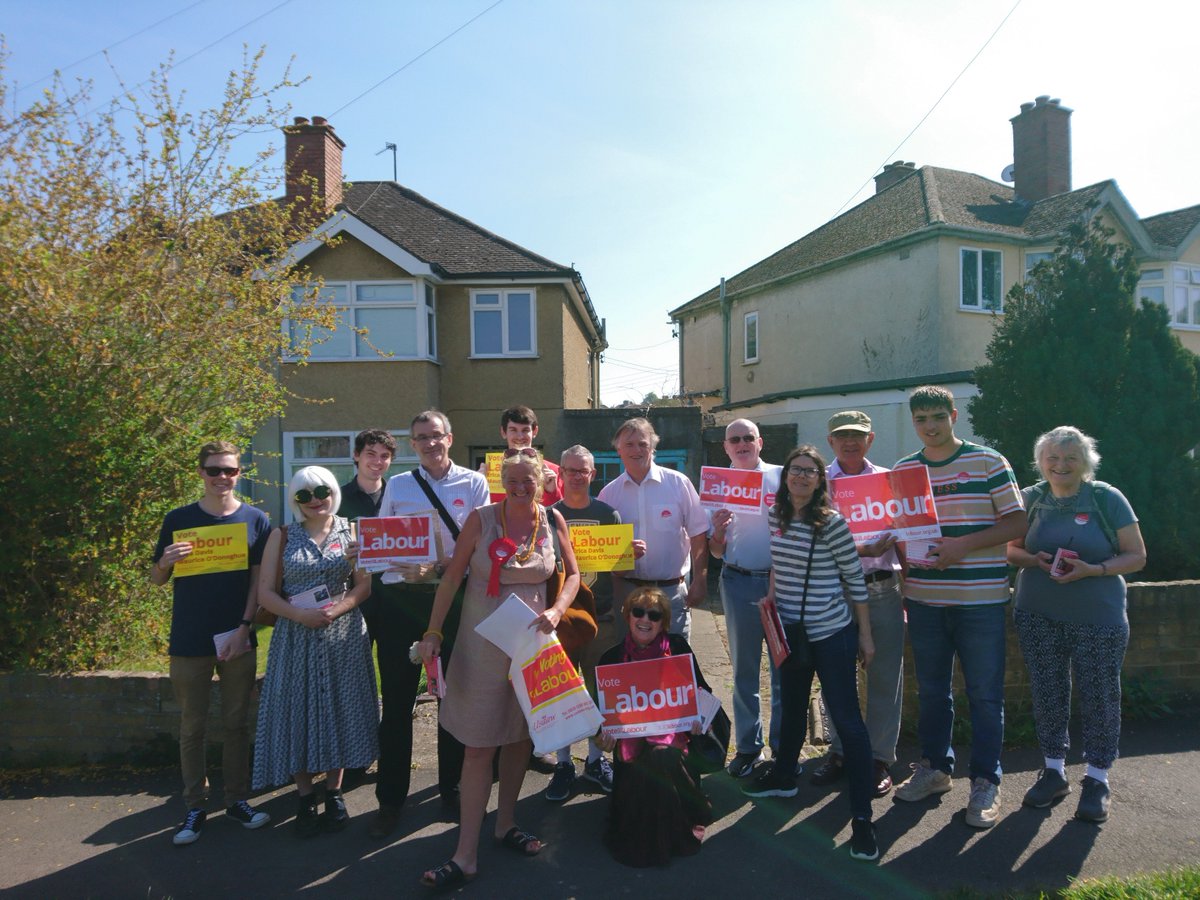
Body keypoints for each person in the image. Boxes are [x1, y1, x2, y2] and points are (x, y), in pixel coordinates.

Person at [417, 450, 581, 889]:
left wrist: (557, 609)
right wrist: (433, 630)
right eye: (513, 480)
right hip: (482, 648)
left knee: (519, 738)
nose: (521, 487)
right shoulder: (481, 519)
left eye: (529, 480)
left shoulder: (553, 520)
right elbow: (452, 577)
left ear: (541, 481)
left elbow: (572, 574)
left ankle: (505, 824)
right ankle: (465, 854)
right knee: (478, 747)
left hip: (530, 648)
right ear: (502, 482)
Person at [892, 386, 1026, 829]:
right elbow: (901, 529)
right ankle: (935, 769)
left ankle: (986, 781)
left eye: (937, 417)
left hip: (979, 601)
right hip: (924, 601)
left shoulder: (988, 462)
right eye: (921, 419)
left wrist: (962, 546)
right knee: (932, 692)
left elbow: (1018, 521)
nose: (930, 426)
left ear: (953, 415)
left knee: (985, 695)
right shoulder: (904, 470)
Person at [742, 446, 879, 862]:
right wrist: (771, 599)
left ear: (820, 481)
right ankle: (785, 776)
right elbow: (779, 564)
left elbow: (854, 580)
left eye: (809, 471)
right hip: (791, 632)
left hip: (832, 634)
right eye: (795, 470)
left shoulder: (831, 523)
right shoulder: (776, 516)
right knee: (792, 707)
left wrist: (866, 637)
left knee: (847, 721)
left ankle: (862, 818)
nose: (801, 477)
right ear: (786, 477)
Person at [1008, 426, 1146, 823]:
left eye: (1070, 457)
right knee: (1047, 691)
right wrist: (1034, 560)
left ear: (1085, 462)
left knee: (1100, 695)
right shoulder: (1030, 499)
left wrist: (1093, 569)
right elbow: (1010, 550)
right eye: (1052, 457)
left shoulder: (1106, 498)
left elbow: (1137, 556)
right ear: (1040, 462)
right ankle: (1053, 772)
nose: (1061, 465)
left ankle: (1098, 779)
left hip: (1098, 617)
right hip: (1037, 613)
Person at [369, 410, 488, 838]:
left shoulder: (473, 484)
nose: (430, 443)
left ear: (449, 438)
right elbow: (383, 542)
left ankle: (451, 790)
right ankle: (389, 801)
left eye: (436, 435)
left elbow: (480, 544)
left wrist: (437, 567)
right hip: (402, 603)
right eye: (421, 437)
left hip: (453, 601)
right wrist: (378, 555)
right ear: (413, 443)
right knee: (397, 703)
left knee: (451, 701)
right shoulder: (399, 485)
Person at [152, 441, 272, 846]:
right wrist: (165, 562)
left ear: (240, 473)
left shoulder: (256, 519)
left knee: (236, 724)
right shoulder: (178, 519)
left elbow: (258, 583)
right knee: (193, 726)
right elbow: (156, 579)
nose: (223, 477)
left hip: (238, 636)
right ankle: (195, 806)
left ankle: (236, 800)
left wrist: (244, 627)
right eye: (214, 470)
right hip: (189, 637)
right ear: (200, 473)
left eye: (230, 470)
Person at [252, 466, 377, 837]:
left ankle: (334, 792)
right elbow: (265, 593)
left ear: (333, 493)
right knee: (297, 711)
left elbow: (364, 586)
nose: (315, 501)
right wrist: (300, 616)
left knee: (340, 708)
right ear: (295, 500)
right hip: (296, 635)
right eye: (304, 495)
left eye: (321, 492)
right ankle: (305, 796)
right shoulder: (282, 535)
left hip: (343, 634)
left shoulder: (351, 531)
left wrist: (336, 610)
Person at [811, 410, 906, 797]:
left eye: (858, 435)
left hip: (881, 588)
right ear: (830, 441)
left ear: (870, 439)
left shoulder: (889, 480)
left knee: (884, 676)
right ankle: (840, 751)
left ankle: (878, 757)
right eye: (842, 436)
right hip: (832, 591)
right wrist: (859, 548)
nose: (850, 442)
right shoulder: (817, 483)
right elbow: (809, 539)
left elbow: (907, 533)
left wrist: (913, 585)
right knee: (835, 677)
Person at [594, 587, 715, 867]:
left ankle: (668, 832)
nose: (645, 619)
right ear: (628, 616)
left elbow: (704, 694)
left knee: (661, 754)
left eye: (654, 615)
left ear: (664, 622)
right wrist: (603, 736)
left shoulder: (678, 650)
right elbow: (600, 718)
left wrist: (699, 718)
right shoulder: (611, 659)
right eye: (638, 612)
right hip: (630, 746)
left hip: (675, 743)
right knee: (649, 759)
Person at [544, 444, 639, 800]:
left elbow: (621, 571)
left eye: (582, 470)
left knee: (600, 690)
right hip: (562, 619)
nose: (576, 476)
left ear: (592, 474)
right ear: (561, 473)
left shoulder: (607, 513)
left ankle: (596, 761)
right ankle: (563, 763)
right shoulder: (548, 515)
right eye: (570, 470)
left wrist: (629, 555)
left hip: (601, 617)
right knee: (564, 693)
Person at [706, 418, 784, 778]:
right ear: (726, 447)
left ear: (760, 442)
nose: (741, 444)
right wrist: (718, 533)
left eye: (748, 438)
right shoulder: (718, 484)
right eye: (734, 439)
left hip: (780, 586)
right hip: (737, 582)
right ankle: (750, 747)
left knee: (783, 669)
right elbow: (716, 552)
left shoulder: (781, 477)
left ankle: (782, 747)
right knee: (744, 671)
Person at [598, 417, 709, 641]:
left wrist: (700, 579)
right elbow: (601, 550)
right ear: (618, 450)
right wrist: (621, 555)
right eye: (629, 444)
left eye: (643, 444)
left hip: (671, 592)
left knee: (675, 656)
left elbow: (698, 533)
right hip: (627, 593)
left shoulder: (678, 483)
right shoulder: (608, 494)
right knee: (630, 656)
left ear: (653, 448)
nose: (636, 450)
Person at [337, 428, 397, 642]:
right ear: (356, 455)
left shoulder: (400, 499)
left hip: (393, 597)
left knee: (393, 660)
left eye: (385, 456)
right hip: (352, 596)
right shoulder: (337, 500)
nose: (378, 461)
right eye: (371, 454)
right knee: (353, 661)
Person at [482, 405, 562, 506]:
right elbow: (480, 510)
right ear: (503, 432)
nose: (520, 437)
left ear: (535, 431)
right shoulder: (489, 472)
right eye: (513, 430)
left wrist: (551, 492)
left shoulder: (554, 472)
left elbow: (562, 512)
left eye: (525, 430)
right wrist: (478, 485)